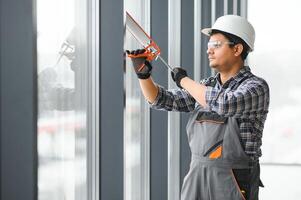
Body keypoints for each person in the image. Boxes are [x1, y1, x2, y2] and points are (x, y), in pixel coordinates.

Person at [126, 15, 269, 200]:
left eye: (216, 45)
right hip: (197, 174)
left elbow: (224, 104)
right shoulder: (206, 85)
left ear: (237, 49)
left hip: (234, 178)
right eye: (208, 45)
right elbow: (162, 100)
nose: (209, 51)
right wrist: (143, 76)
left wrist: (183, 81)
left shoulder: (256, 87)